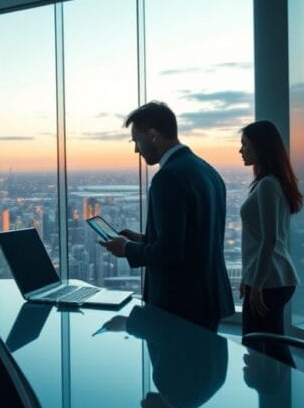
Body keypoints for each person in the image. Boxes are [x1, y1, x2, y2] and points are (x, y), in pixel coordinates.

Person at [100, 101, 234, 331]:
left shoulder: (168, 178)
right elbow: (193, 239)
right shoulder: (207, 171)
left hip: (180, 305)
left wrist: (127, 249)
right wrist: (143, 239)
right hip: (209, 300)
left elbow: (171, 252)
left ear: (153, 136)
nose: (136, 150)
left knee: (175, 368)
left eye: (137, 141)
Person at [237, 120, 302, 358]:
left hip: (270, 280)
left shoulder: (267, 186)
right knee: (272, 346)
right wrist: (249, 277)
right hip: (275, 277)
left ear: (260, 147)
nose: (240, 150)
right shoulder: (272, 183)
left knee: (259, 346)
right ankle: (281, 392)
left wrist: (257, 284)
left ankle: (278, 392)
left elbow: (269, 240)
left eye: (245, 144)